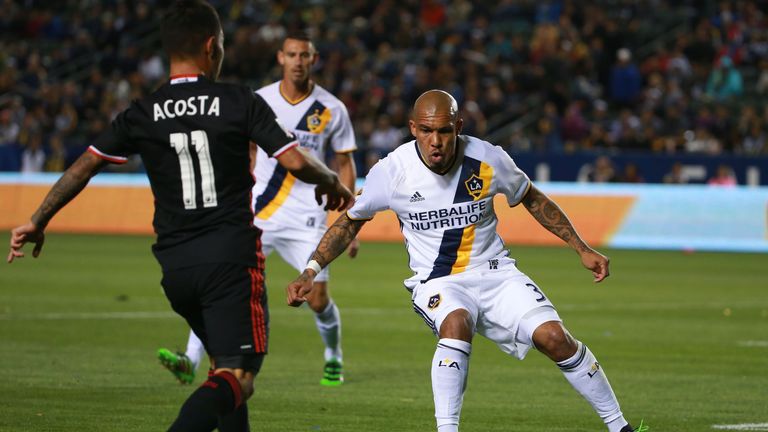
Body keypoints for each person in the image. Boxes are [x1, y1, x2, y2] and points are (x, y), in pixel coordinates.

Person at [7, 2, 353, 431]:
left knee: (220, 367)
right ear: (212, 47)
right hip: (229, 259)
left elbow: (85, 165)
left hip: (175, 266)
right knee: (239, 378)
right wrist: (334, 184)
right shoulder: (238, 101)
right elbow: (296, 161)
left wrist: (38, 218)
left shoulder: (142, 111)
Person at [287, 90, 643, 432]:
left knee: (554, 337)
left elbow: (530, 197)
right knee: (455, 324)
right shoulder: (392, 171)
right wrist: (311, 270)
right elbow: (351, 219)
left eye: (444, 130)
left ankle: (620, 427)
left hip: (496, 274)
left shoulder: (488, 159)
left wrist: (580, 247)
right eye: (426, 131)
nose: (435, 141)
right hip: (438, 282)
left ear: (458, 127)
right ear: (413, 128)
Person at [159, 31, 358, 387]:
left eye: (305, 55)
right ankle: (189, 359)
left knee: (318, 299)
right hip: (259, 213)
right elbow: (247, 154)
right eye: (292, 54)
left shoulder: (332, 109)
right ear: (280, 58)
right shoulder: (260, 100)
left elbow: (343, 164)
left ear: (314, 60)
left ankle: (333, 356)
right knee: (221, 279)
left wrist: (350, 220)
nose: (298, 61)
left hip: (308, 217)